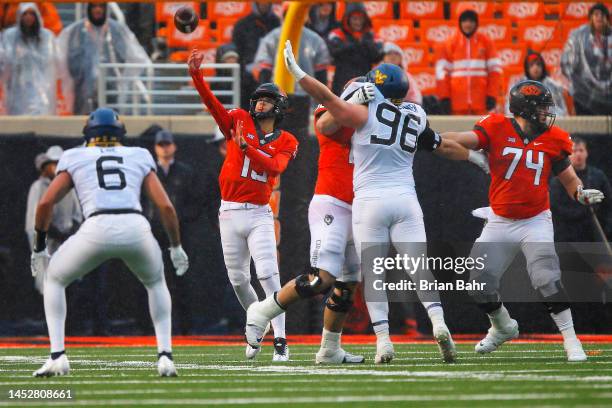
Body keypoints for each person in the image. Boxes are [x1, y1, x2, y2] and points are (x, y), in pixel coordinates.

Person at [245, 42, 490, 364]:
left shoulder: (376, 113)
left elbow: (435, 141)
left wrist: (472, 152)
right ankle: (265, 308)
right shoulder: (347, 111)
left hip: (363, 204)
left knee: (349, 282)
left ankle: (329, 347)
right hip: (333, 200)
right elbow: (324, 125)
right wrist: (350, 99)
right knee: (324, 277)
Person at [442, 80, 605, 362]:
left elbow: (569, 179)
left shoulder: (554, 138)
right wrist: (436, 138)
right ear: (525, 109)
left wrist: (580, 194)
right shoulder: (495, 127)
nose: (546, 113)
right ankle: (502, 326)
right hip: (500, 220)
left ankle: (571, 340)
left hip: (535, 220)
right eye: (542, 107)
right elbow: (459, 138)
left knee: (546, 277)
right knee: (477, 284)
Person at [30, 108, 189, 377]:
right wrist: (175, 246)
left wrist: (39, 246)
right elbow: (166, 207)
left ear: (88, 133)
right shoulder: (139, 155)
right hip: (136, 226)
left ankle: (58, 355)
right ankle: (165, 356)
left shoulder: (74, 155)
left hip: (96, 226)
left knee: (54, 279)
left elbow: (46, 202)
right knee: (156, 283)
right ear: (120, 133)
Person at [188, 49, 298, 361]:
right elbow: (213, 107)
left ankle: (281, 339)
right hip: (229, 211)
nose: (259, 103)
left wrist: (247, 148)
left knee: (267, 274)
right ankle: (256, 325)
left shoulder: (287, 139)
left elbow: (275, 167)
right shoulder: (238, 120)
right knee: (238, 279)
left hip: (259, 213)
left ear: (278, 107)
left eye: (266, 100)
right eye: (258, 99)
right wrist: (197, 76)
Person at [144, 129, 203, 335]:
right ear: (155, 148)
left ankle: (185, 327)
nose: (165, 148)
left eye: (167, 144)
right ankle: (151, 327)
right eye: (161, 145)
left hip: (180, 233)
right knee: (154, 279)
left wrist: (178, 218)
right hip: (155, 233)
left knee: (182, 281)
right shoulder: (149, 173)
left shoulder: (185, 173)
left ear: (174, 146)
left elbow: (196, 203)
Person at [56, 2, 151, 114]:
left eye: (101, 6)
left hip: (111, 91)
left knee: (110, 125)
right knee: (84, 127)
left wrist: (121, 80)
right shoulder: (75, 31)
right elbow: (62, 60)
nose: (98, 10)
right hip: (82, 92)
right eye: (94, 6)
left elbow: (135, 57)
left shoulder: (117, 30)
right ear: (88, 8)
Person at [26, 146, 82, 294]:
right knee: (49, 286)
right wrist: (54, 233)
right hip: (47, 246)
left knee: (69, 284)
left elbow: (77, 215)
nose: (57, 167)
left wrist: (69, 234)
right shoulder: (38, 187)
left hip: (66, 245)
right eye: (54, 163)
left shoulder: (69, 187)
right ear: (46, 166)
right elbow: (34, 220)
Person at [435, 3, 501, 115]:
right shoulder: (449, 44)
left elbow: (495, 71)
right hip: (457, 104)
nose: (468, 24)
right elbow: (442, 74)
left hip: (481, 103)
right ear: (459, 22)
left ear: (476, 22)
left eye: (471, 21)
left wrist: (492, 95)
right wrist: (444, 97)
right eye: (465, 20)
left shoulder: (486, 42)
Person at [0, 3, 59, 115]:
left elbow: (51, 64)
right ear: (19, 16)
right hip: (17, 93)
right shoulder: (10, 37)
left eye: (31, 14)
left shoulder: (47, 37)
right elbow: (6, 63)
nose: (28, 17)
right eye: (25, 14)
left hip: (42, 93)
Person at [550, 137, 612, 242]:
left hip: (592, 234)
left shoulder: (598, 177)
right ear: (568, 154)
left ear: (586, 153)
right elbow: (557, 208)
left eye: (581, 150)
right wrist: (585, 211)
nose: (578, 154)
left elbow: (608, 203)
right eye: (574, 151)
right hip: (566, 236)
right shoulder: (558, 180)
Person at [252, 18, 330, 96]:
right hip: (278, 94)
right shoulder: (272, 38)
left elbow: (321, 74)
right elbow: (264, 71)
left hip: (306, 95)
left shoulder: (315, 39)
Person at [561, 3, 612, 115]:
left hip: (608, 97)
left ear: (607, 19)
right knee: (586, 128)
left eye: (603, 15)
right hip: (584, 96)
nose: (599, 17)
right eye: (596, 14)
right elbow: (567, 63)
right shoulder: (578, 37)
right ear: (591, 18)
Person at [328, 2, 383, 96]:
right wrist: (358, 44)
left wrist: (361, 44)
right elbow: (334, 52)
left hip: (364, 82)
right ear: (347, 19)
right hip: (341, 83)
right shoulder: (337, 33)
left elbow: (378, 56)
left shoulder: (372, 36)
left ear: (365, 20)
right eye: (354, 19)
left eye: (360, 19)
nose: (358, 22)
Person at [232, 2, 280, 109]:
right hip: (247, 75)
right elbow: (238, 52)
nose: (264, 4)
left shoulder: (277, 23)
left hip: (271, 71)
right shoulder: (242, 24)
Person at [506, 50, 569, 117]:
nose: (535, 68)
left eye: (538, 64)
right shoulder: (518, 86)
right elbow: (510, 109)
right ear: (527, 68)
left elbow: (563, 111)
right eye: (531, 65)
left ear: (543, 67)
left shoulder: (553, 86)